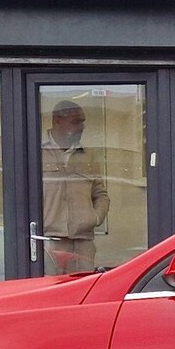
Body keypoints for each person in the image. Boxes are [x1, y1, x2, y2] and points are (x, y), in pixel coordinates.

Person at [40, 100, 110, 273]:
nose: (82, 127)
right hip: (48, 240)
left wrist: (94, 218)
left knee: (83, 292)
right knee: (50, 294)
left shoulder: (87, 156)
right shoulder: (37, 152)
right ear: (57, 121)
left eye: (83, 121)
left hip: (82, 241)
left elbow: (100, 194)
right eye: (76, 121)